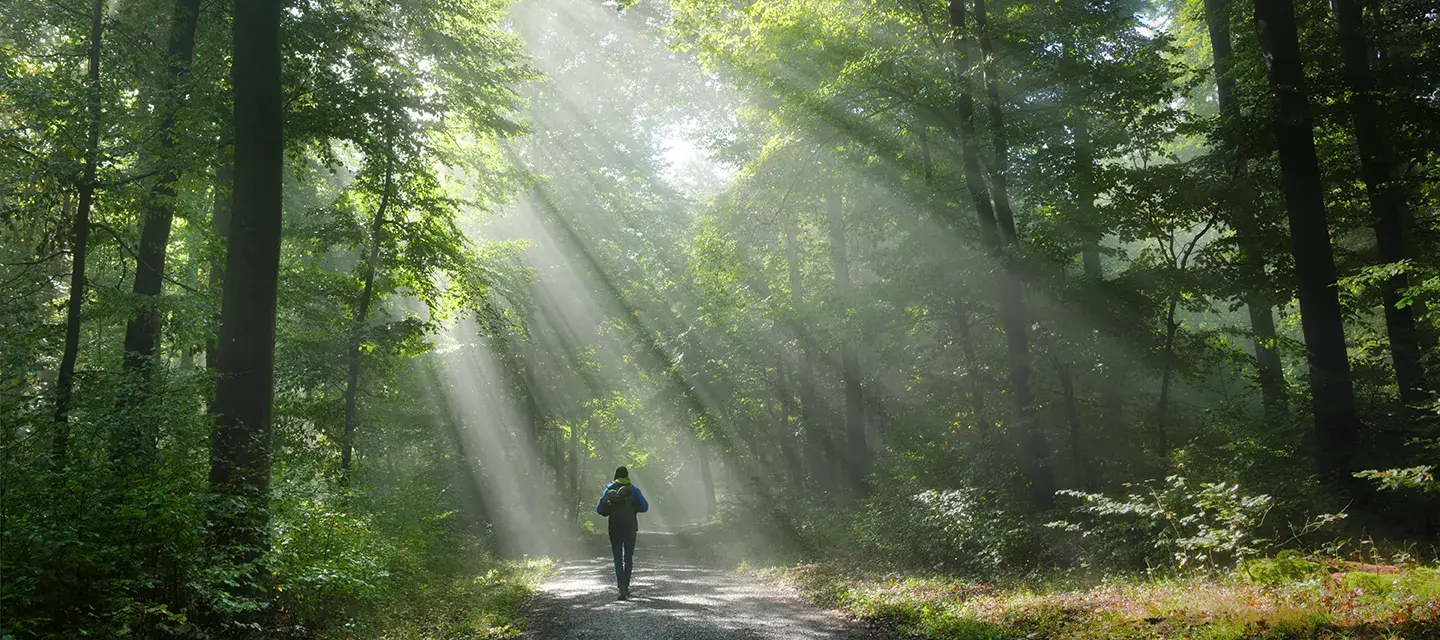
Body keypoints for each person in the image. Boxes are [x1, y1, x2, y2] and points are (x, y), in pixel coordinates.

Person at [595, 466, 649, 600]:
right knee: (628, 557)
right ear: (627, 475)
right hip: (630, 529)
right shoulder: (634, 489)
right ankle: (626, 586)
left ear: (615, 476)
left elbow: (599, 509)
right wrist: (634, 507)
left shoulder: (609, 490)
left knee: (617, 558)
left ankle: (621, 587)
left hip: (614, 529)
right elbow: (645, 506)